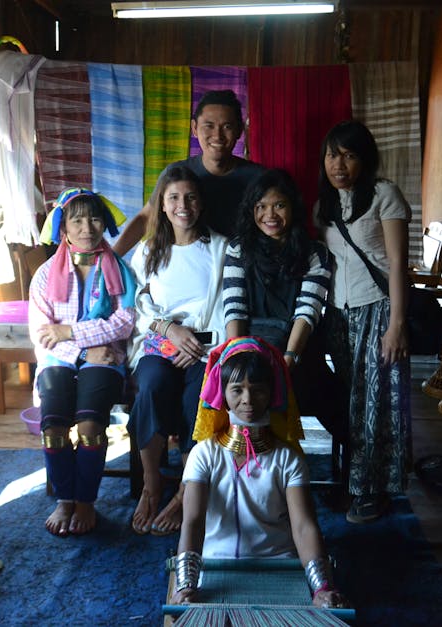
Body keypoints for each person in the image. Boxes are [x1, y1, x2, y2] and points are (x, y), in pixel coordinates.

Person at [170, 337, 347, 610]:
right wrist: (186, 585)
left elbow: (304, 526)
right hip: (215, 565)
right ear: (222, 392)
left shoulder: (287, 459)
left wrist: (322, 587)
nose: (248, 400)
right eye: (237, 389)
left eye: (258, 390)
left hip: (279, 564)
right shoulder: (204, 455)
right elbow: (193, 522)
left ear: (273, 394)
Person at [314, 120, 412, 524]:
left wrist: (397, 325)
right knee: (349, 400)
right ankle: (352, 479)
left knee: (377, 402)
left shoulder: (384, 195)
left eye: (349, 156)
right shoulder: (324, 204)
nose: (338, 165)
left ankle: (374, 489)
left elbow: (398, 265)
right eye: (332, 155)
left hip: (379, 309)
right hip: (338, 313)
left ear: (365, 159)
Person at [28, 188, 137, 537]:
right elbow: (42, 334)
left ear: (104, 223)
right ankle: (65, 499)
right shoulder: (45, 274)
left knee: (90, 427)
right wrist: (83, 349)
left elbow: (125, 322)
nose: (87, 228)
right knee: (53, 431)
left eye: (94, 219)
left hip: (106, 358)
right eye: (77, 221)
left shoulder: (120, 270)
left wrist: (69, 332)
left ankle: (86, 501)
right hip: (61, 359)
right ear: (63, 228)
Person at [128, 165, 227, 536]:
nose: (182, 205)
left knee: (198, 397)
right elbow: (138, 303)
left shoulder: (220, 248)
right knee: (151, 385)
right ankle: (152, 483)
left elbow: (229, 306)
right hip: (161, 341)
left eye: (190, 197)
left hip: (208, 347)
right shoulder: (148, 251)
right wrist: (169, 329)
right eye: (173, 198)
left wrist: (200, 344)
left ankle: (187, 490)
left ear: (201, 203)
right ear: (162, 205)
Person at [222, 168, 340, 433]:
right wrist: (237, 357)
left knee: (335, 405)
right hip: (249, 348)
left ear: (293, 207)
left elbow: (307, 311)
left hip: (297, 349)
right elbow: (234, 308)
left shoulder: (315, 253)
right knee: (237, 385)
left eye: (279, 205)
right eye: (261, 206)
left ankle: (285, 454)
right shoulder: (239, 248)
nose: (270, 215)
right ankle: (240, 451)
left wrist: (289, 359)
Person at [113, 89, 264, 255]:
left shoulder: (259, 178)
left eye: (227, 126)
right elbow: (146, 218)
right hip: (190, 264)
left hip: (243, 266)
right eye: (209, 126)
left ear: (239, 130)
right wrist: (111, 260)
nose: (217, 135)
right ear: (194, 128)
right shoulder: (176, 174)